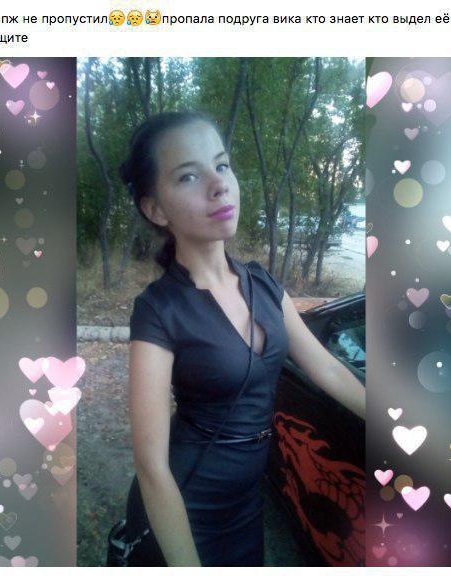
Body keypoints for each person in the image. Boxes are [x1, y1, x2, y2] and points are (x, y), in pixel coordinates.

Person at [119, 111, 365, 567]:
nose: (219, 185)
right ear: (155, 209)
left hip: (247, 502)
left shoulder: (263, 284)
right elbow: (152, 467)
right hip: (186, 504)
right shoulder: (159, 310)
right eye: (189, 176)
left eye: (222, 165)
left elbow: (328, 368)